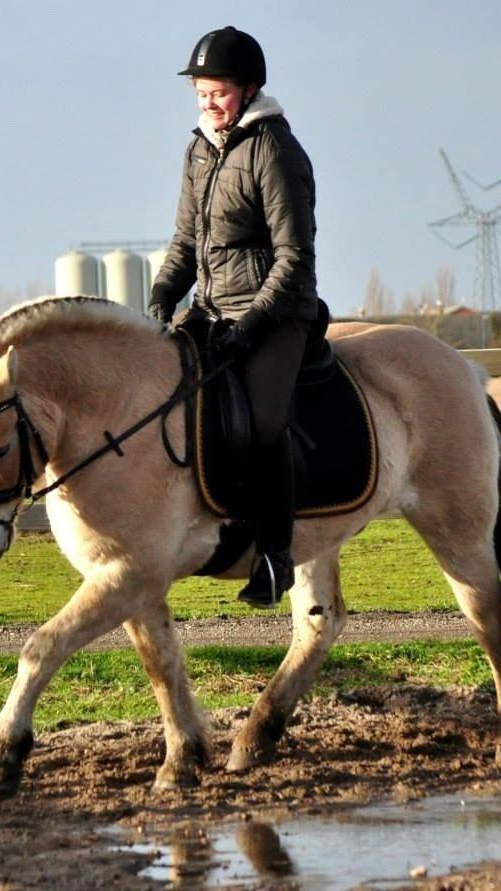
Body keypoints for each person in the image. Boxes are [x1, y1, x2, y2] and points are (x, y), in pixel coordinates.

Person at [148, 26, 321, 609]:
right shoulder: (199, 149)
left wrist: (250, 329)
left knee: (265, 418)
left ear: (248, 90)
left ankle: (274, 554)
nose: (207, 103)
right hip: (211, 311)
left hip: (277, 316)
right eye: (200, 94)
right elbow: (184, 243)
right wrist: (158, 302)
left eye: (216, 92)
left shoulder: (274, 150)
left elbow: (293, 258)